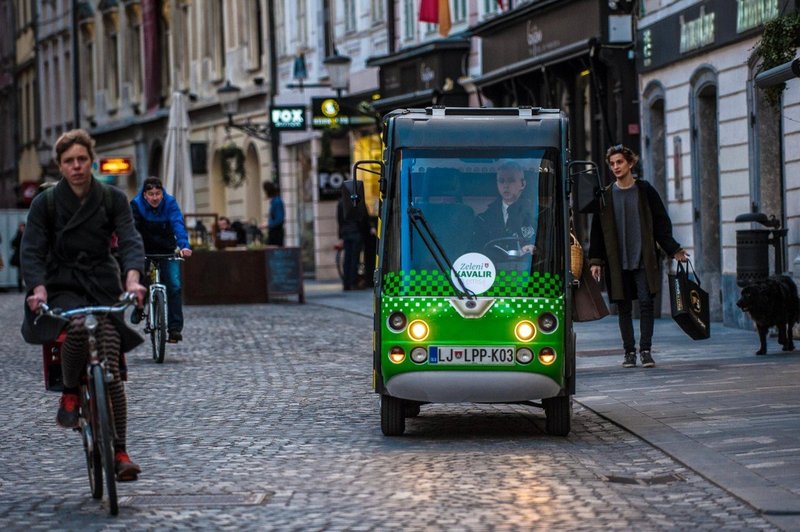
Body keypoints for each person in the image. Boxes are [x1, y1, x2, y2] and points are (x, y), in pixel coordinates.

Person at [20, 128, 146, 481]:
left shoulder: (112, 198)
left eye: (82, 160)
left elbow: (131, 239)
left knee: (110, 362)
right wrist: (39, 289)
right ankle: (71, 390)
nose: (76, 166)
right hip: (61, 284)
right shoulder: (44, 203)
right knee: (76, 327)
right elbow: (31, 250)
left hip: (102, 281)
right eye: (68, 161)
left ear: (91, 161)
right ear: (60, 166)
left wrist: (133, 278)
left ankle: (120, 451)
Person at [588, 145, 689, 369]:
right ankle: (629, 352)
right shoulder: (605, 195)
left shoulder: (645, 191)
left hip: (643, 258)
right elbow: (597, 231)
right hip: (617, 261)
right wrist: (596, 261)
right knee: (623, 306)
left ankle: (645, 350)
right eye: (612, 163)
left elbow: (661, 223)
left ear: (630, 163)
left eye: (620, 162)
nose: (616, 167)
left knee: (645, 302)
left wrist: (674, 250)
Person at [129, 177, 193, 343]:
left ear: (162, 194)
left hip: (167, 249)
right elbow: (132, 230)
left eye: (158, 193)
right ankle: (139, 306)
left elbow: (178, 224)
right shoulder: (136, 205)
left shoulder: (170, 203)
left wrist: (184, 246)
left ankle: (174, 328)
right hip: (143, 249)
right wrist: (131, 250)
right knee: (138, 280)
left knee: (174, 285)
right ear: (145, 195)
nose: (155, 197)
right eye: (151, 194)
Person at [474, 160, 536, 255]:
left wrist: (535, 248)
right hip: (493, 268)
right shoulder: (484, 219)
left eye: (511, 180)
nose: (505, 185)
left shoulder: (539, 214)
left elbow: (548, 246)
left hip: (529, 268)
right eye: (501, 181)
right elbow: (475, 251)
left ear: (523, 184)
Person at [337, 194, 368, 291]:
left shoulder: (341, 202)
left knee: (347, 259)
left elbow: (339, 220)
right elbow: (362, 218)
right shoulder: (356, 200)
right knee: (355, 259)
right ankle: (353, 282)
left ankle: (346, 283)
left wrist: (341, 235)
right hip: (355, 232)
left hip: (346, 232)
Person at [263, 181, 285, 246]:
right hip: (274, 232)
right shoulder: (274, 201)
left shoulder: (276, 202)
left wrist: (268, 224)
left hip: (276, 233)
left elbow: (279, 219)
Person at [10, 222, 25, 292]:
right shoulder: (18, 235)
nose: (21, 228)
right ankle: (20, 289)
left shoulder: (27, 234)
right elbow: (13, 243)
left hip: (26, 256)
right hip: (20, 257)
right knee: (20, 274)